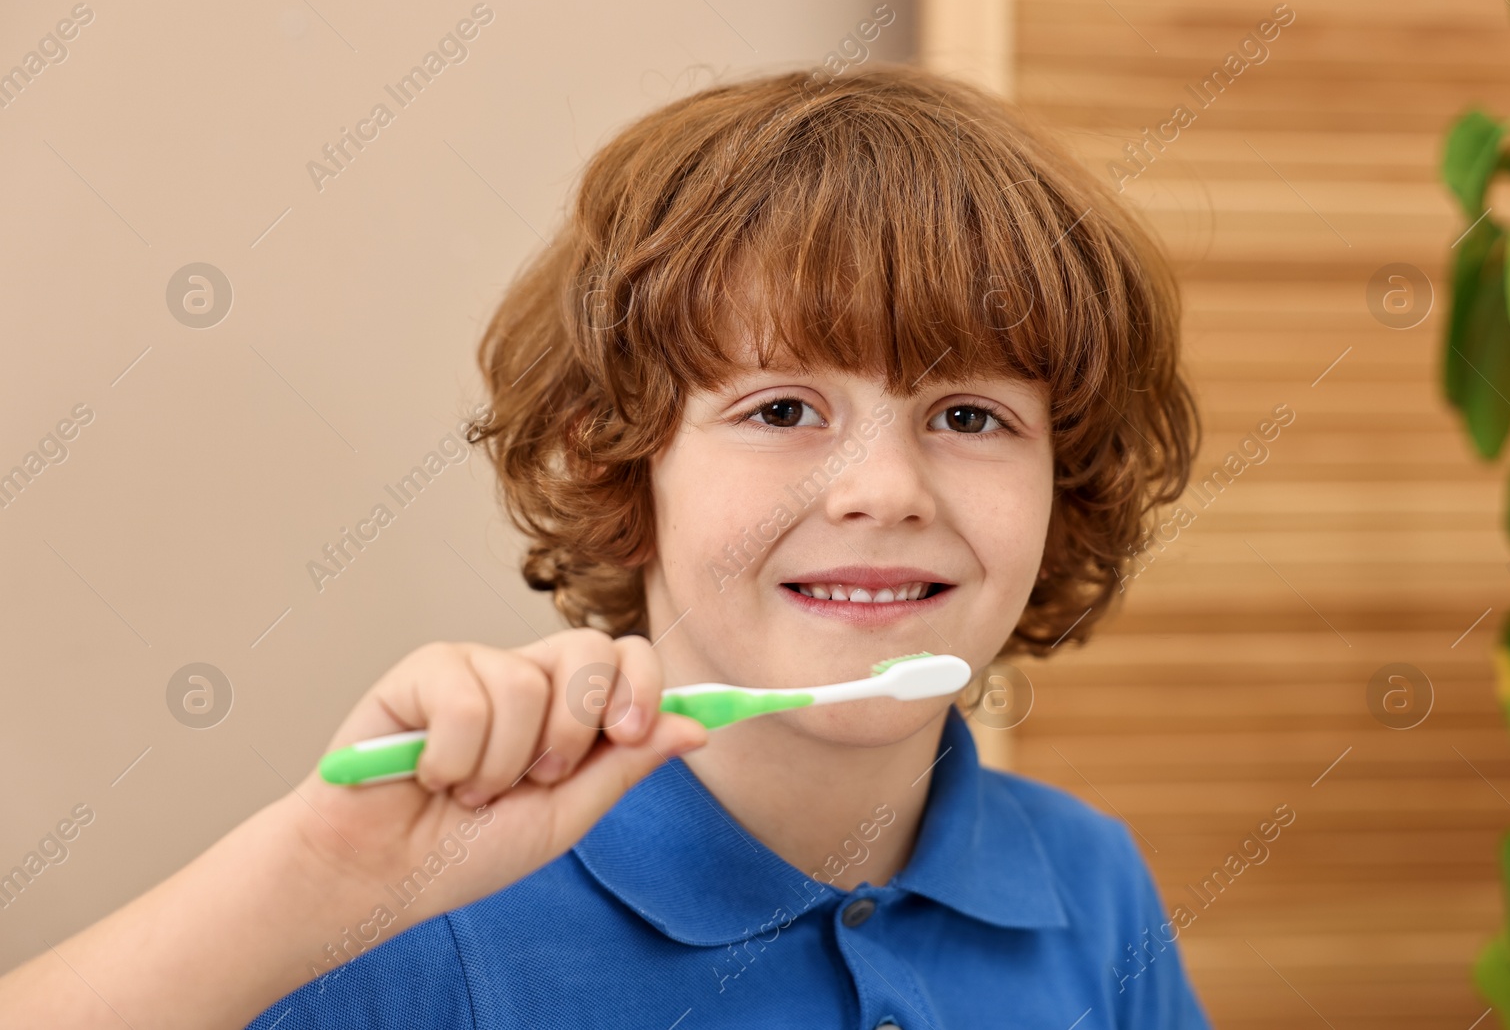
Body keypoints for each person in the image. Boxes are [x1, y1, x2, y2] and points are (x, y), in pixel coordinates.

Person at [0, 62, 1209, 1028]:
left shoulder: (1088, 888)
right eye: (782, 409)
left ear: (1067, 481)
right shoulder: (427, 917)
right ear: (617, 459)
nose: (885, 488)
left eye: (968, 416)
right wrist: (321, 880)